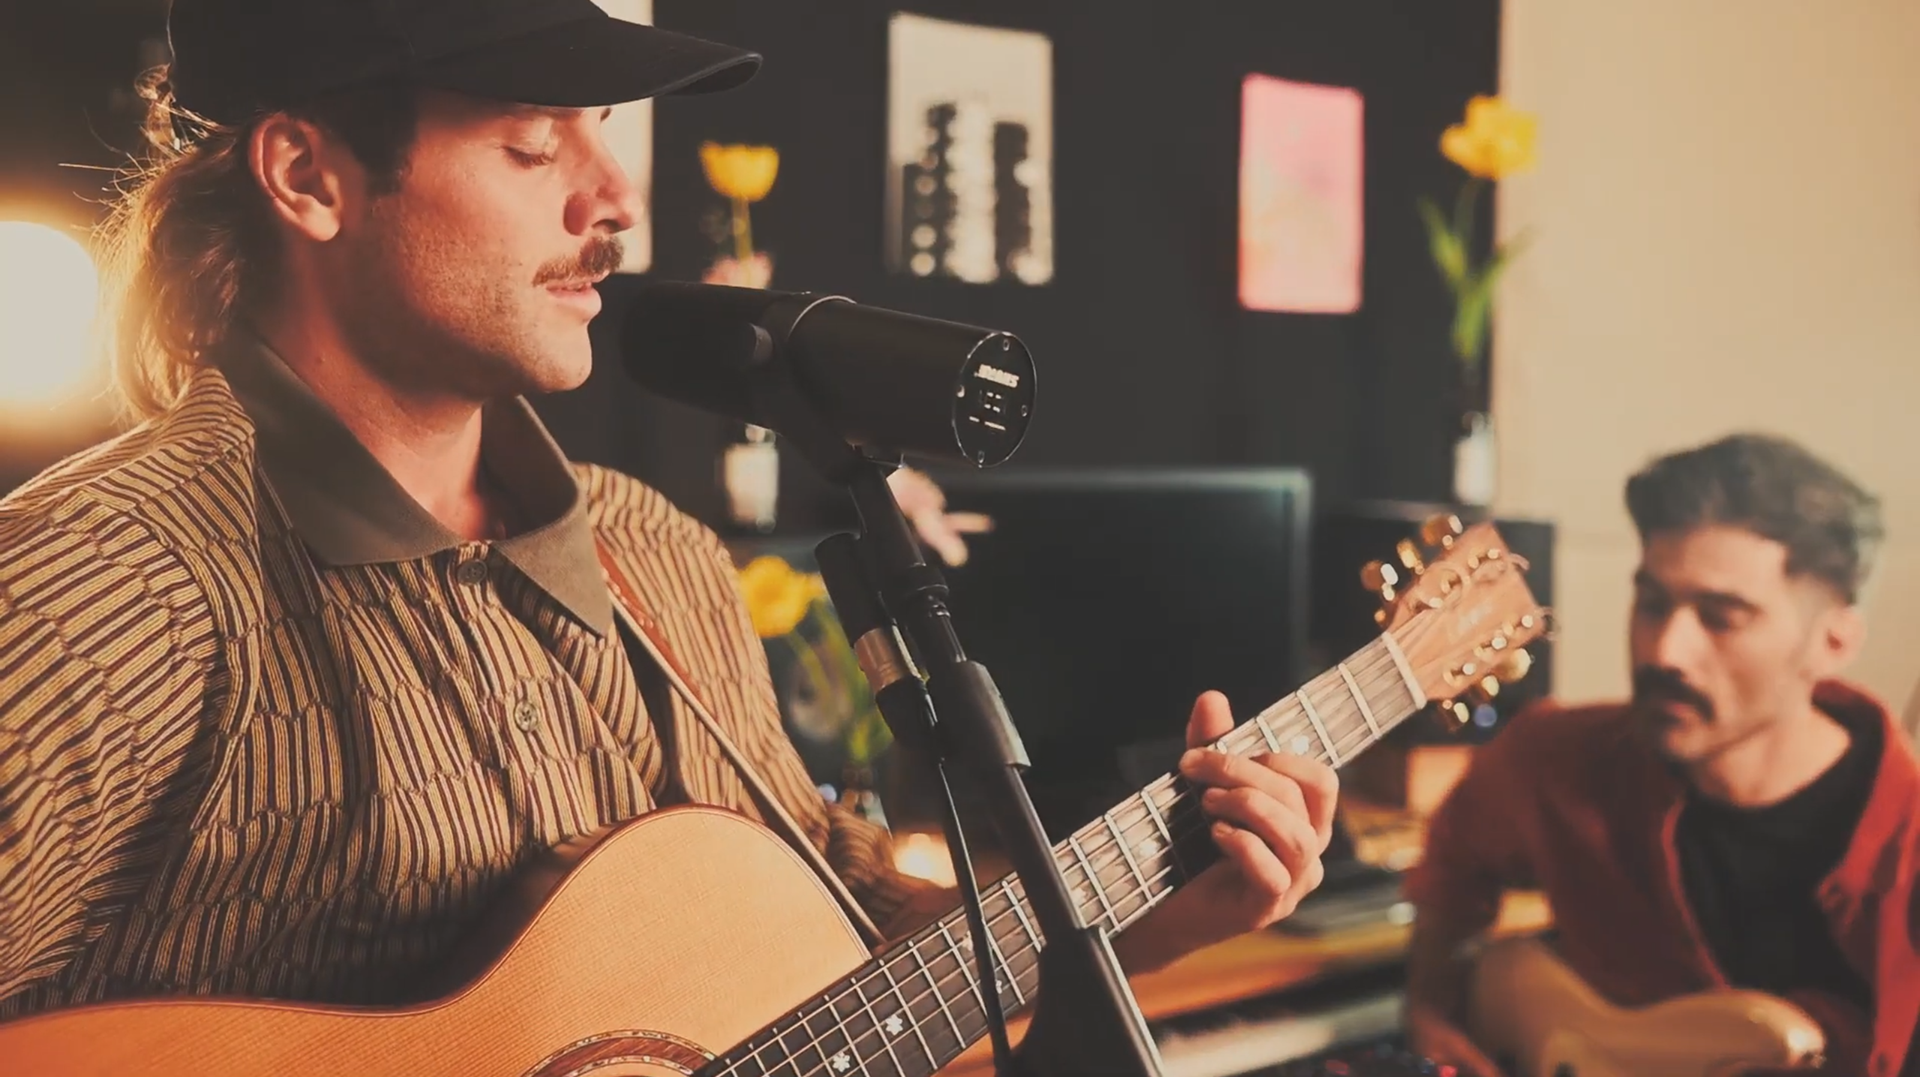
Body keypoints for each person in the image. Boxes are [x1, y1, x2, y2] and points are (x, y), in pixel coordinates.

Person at [0, 0, 1338, 1024]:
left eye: (604, 136)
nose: (619, 204)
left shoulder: (655, 552)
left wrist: (1149, 908)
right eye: (533, 144)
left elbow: (840, 932)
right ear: (308, 176)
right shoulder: (105, 590)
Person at [1403, 433, 1920, 1076]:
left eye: (1721, 617)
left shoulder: (1905, 845)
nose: (1664, 651)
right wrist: (1430, 1005)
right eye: (1653, 604)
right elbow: (1453, 865)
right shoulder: (1555, 760)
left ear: (1833, 643)